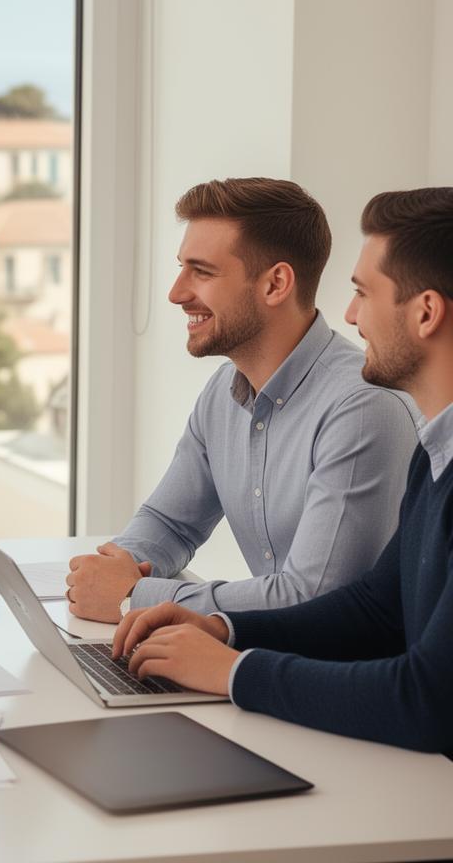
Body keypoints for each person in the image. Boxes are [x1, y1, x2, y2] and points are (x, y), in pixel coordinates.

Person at [113, 188, 453, 754]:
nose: (349, 315)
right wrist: (223, 631)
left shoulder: (374, 411)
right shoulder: (435, 450)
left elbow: (429, 700)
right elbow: (375, 607)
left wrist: (232, 671)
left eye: (364, 293)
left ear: (426, 313)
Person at [67, 178, 420, 622]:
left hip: (338, 675)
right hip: (270, 654)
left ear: (276, 284)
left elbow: (313, 597)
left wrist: (135, 596)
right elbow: (171, 521)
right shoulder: (222, 393)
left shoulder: (364, 408)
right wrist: (113, 567)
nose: (176, 293)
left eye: (202, 271)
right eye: (182, 268)